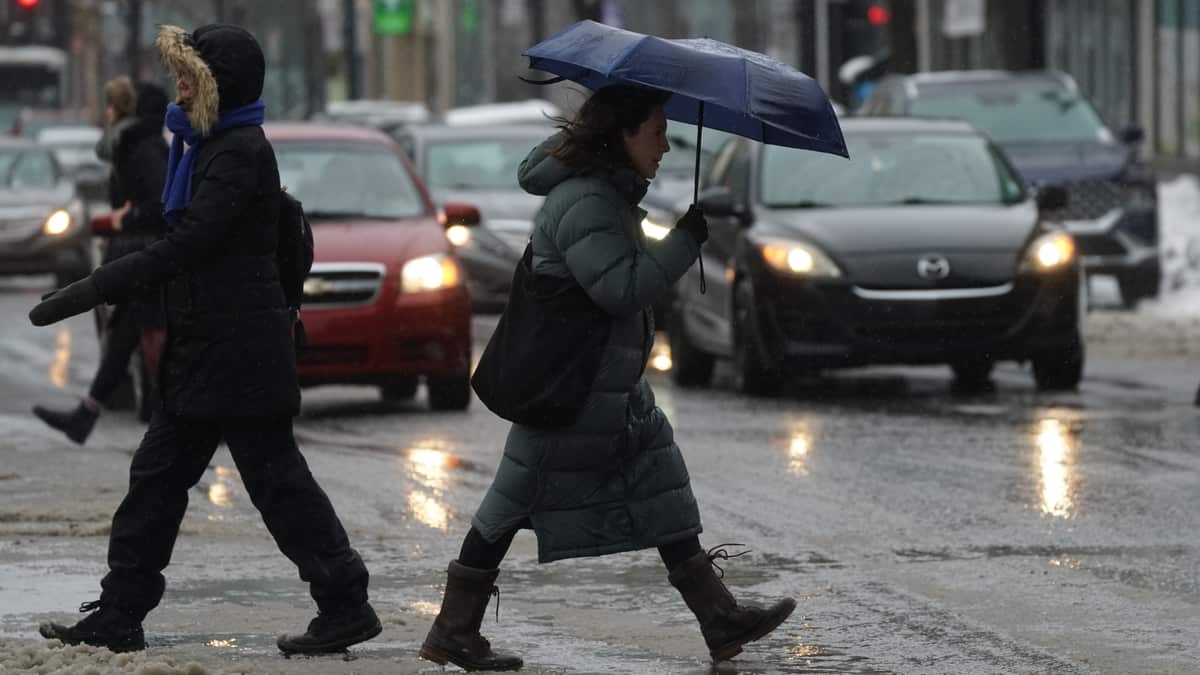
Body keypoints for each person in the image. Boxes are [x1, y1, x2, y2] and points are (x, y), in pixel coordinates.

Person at [418, 85, 796, 672]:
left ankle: (720, 619)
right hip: (572, 390)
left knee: (662, 483)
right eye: (656, 131)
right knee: (509, 504)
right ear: (620, 134)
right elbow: (621, 289)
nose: (667, 146)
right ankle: (453, 629)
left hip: (607, 388)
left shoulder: (605, 193)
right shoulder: (587, 201)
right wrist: (684, 243)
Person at [29, 24, 379, 655]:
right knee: (164, 481)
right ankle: (121, 612)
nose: (179, 88)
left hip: (235, 352)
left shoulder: (237, 151)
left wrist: (98, 285)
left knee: (271, 486)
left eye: (190, 76)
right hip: (216, 348)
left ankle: (345, 602)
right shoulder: (210, 147)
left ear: (219, 85)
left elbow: (192, 242)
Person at [33, 78, 170, 444]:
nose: (108, 112)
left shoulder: (146, 149)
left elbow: (158, 206)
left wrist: (127, 218)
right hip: (133, 251)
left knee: (151, 333)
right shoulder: (134, 145)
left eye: (112, 106)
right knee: (124, 334)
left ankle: (170, 411)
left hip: (143, 252)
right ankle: (88, 414)